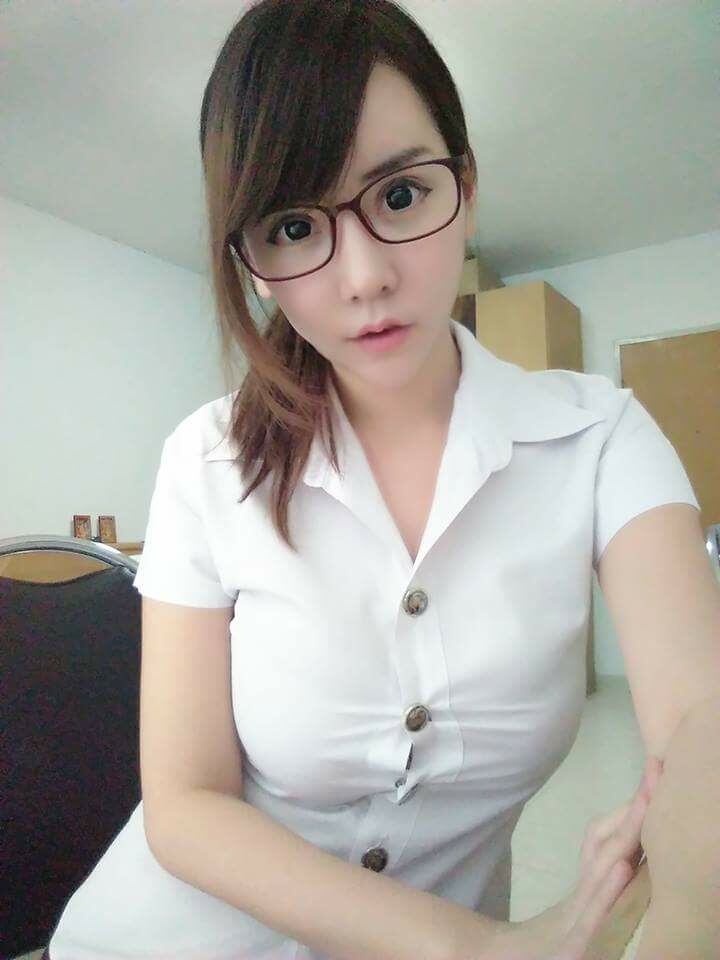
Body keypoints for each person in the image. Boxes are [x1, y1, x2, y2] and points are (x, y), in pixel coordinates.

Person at [44, 1, 700, 958]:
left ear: (466, 188)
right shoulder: (206, 460)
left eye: (399, 197)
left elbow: (701, 732)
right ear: (253, 265)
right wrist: (480, 948)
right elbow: (182, 807)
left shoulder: (600, 439)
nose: (362, 278)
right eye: (293, 224)